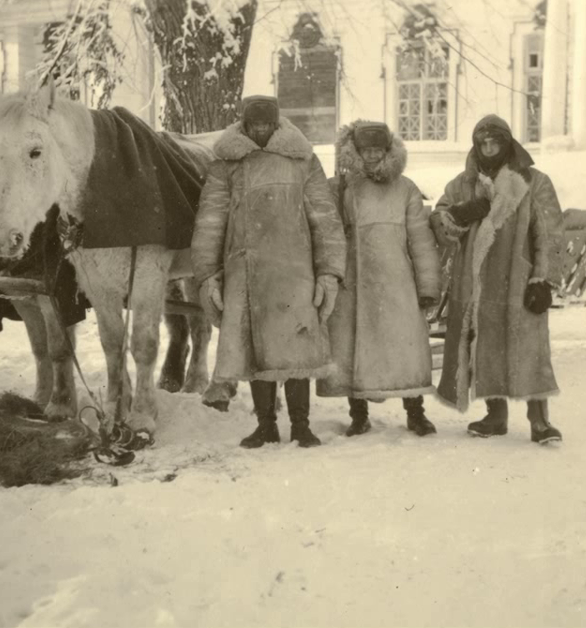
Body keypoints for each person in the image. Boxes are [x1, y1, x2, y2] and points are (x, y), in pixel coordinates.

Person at [192, 96, 347, 448]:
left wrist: (328, 273)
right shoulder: (226, 163)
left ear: (277, 124)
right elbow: (210, 221)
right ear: (244, 125)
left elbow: (324, 218)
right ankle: (265, 425)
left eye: (266, 125)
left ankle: (301, 425)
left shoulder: (301, 159)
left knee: (296, 351)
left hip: (295, 270)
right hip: (244, 270)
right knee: (254, 351)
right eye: (254, 125)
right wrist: (207, 276)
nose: (260, 131)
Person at [429, 114, 565, 444]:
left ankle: (540, 421)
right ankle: (495, 416)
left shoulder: (534, 181)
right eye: (483, 142)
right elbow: (439, 219)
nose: (489, 148)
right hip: (475, 281)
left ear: (507, 144)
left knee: (529, 348)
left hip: (518, 280)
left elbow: (549, 234)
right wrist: (463, 213)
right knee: (483, 346)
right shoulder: (463, 183)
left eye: (495, 142)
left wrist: (543, 280)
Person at [317, 121, 441, 437]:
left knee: (405, 347)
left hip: (397, 282)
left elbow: (420, 240)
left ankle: (415, 412)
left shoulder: (406, 189)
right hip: (353, 283)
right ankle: (359, 415)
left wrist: (427, 285)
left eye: (378, 150)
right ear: (354, 152)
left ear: (388, 151)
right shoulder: (341, 188)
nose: (372, 156)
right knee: (351, 349)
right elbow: (325, 234)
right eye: (365, 150)